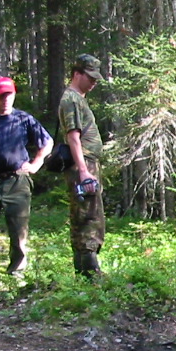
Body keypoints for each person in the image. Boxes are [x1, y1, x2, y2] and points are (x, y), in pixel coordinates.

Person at [0, 76, 54, 275]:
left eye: (9, 95)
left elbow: (47, 142)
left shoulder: (23, 119)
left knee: (19, 231)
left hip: (17, 180)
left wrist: (36, 164)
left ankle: (16, 272)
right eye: (1, 95)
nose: (6, 99)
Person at [58, 54, 105, 277]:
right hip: (83, 164)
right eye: (90, 77)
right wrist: (84, 171)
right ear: (77, 74)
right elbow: (73, 136)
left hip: (86, 163)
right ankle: (90, 272)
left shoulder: (78, 99)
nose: (93, 82)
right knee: (89, 216)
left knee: (84, 215)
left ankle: (83, 272)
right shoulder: (72, 100)